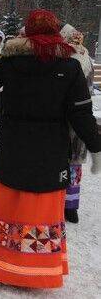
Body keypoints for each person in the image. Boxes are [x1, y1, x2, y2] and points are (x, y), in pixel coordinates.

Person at [0, 9, 101, 289]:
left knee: (8, 202)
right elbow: (81, 113)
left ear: (27, 32)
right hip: (50, 154)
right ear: (56, 33)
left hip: (12, 149)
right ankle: (33, 268)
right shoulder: (70, 67)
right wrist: (96, 147)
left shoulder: (12, 62)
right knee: (38, 209)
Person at [61, 26, 94, 224]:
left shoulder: (65, 60)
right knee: (73, 165)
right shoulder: (86, 58)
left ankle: (62, 204)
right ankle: (71, 207)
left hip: (65, 118)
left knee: (62, 163)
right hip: (80, 117)